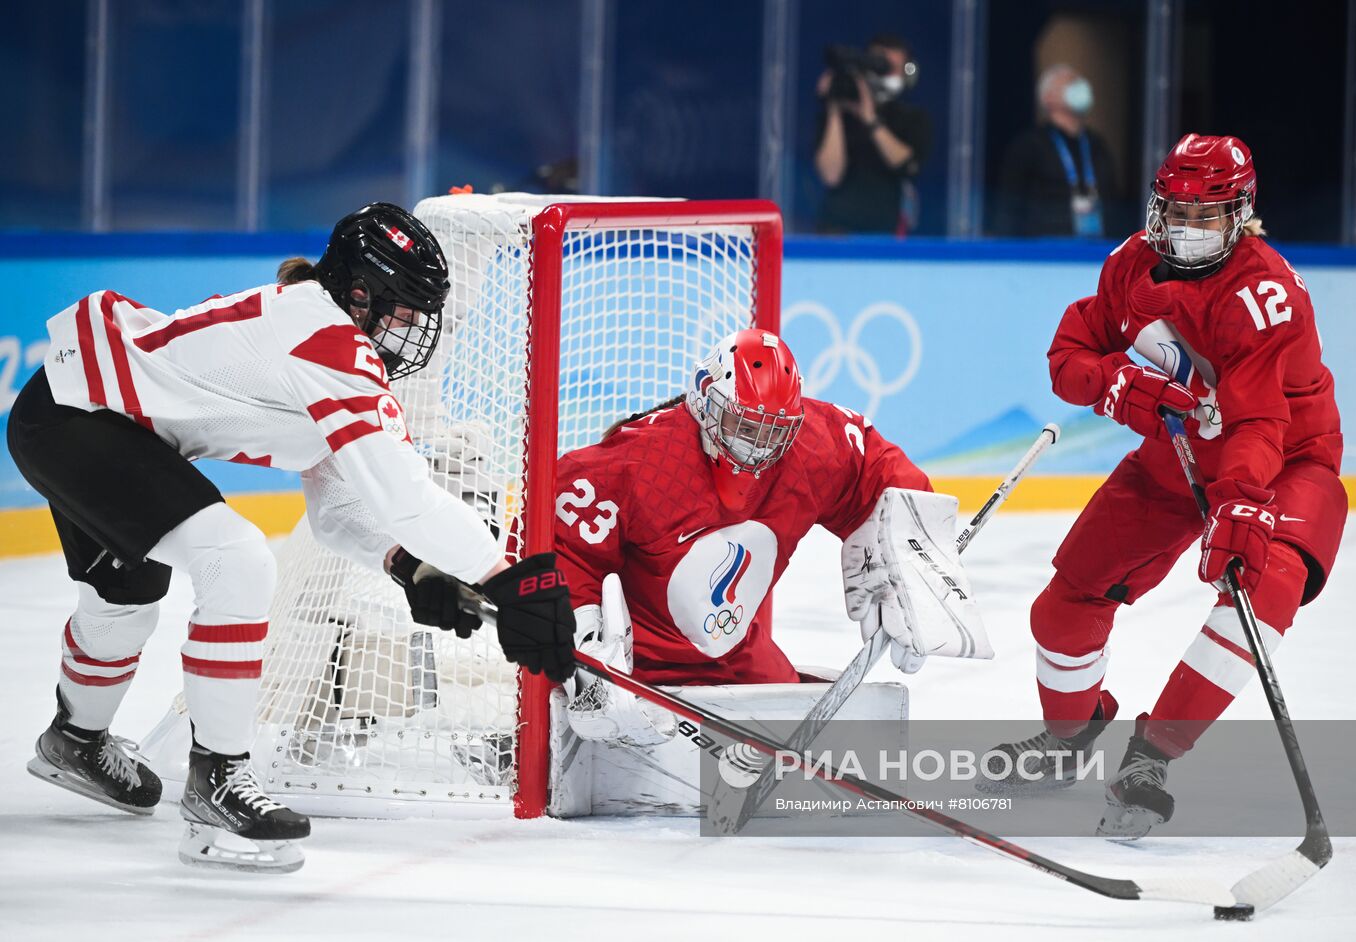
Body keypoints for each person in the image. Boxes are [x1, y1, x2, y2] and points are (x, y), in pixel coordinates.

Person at [6, 202, 576, 872]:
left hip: (73, 409)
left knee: (127, 589)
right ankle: (217, 781)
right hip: (78, 419)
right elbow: (407, 496)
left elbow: (339, 510)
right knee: (238, 562)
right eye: (401, 312)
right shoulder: (330, 343)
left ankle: (74, 742)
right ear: (360, 295)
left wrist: (407, 567)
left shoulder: (318, 328)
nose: (409, 331)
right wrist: (506, 576)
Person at [978, 134, 1346, 840]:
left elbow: (1261, 419)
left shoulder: (1264, 296)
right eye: (1176, 211)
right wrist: (1114, 383)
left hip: (1282, 461)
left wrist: (1240, 501)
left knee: (1260, 595)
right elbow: (1072, 352)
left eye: (1207, 216)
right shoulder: (1129, 264)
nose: (1188, 229)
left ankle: (1152, 757)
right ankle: (1067, 738)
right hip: (1175, 454)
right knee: (1065, 601)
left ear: (1241, 215)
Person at [551, 328, 987, 748]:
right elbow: (560, 549)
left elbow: (878, 472)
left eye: (774, 432)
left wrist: (914, 555)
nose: (759, 447)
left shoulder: (809, 445)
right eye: (745, 426)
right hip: (638, 670)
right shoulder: (639, 462)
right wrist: (583, 655)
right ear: (705, 401)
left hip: (737, 661)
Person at [814, 34, 933, 234]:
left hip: (888, 233)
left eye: (896, 68)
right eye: (882, 65)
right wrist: (834, 110)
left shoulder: (914, 118)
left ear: (907, 72)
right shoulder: (839, 114)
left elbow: (906, 164)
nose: (888, 73)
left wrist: (870, 119)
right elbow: (830, 175)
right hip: (836, 232)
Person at [993, 64, 1123, 238]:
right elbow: (1009, 207)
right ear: (1048, 98)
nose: (1080, 87)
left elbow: (1113, 197)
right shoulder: (1029, 145)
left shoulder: (1096, 145)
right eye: (1071, 83)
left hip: (1096, 247)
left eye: (1080, 82)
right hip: (1045, 249)